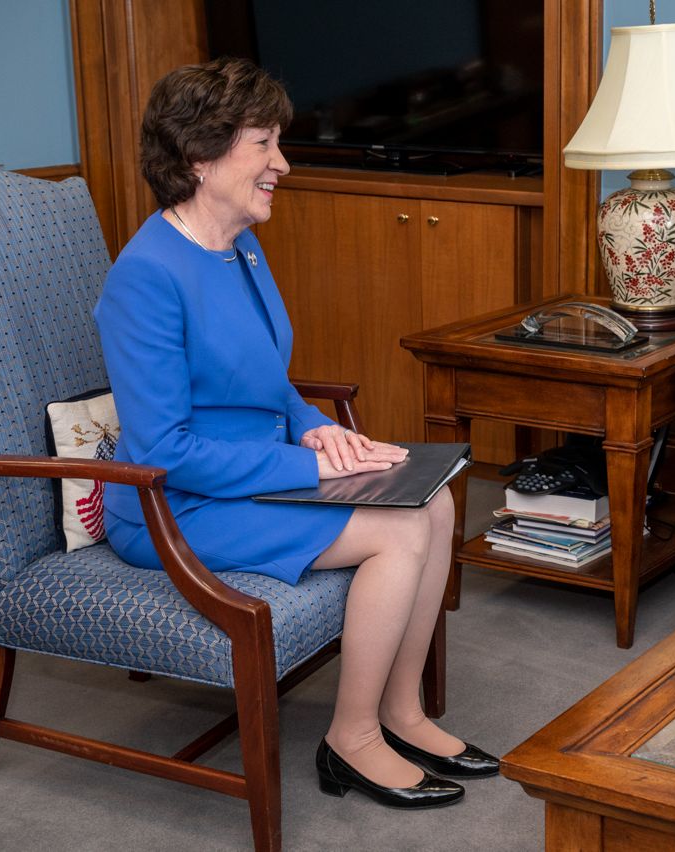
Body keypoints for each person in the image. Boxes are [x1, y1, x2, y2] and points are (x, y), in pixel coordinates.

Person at [94, 57, 495, 810]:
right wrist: (304, 467)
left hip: (251, 472)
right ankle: (352, 740)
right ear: (199, 155)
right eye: (263, 144)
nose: (282, 163)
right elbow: (160, 451)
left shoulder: (240, 242)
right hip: (171, 507)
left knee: (434, 501)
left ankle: (401, 711)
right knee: (397, 531)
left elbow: (268, 382)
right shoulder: (146, 277)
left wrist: (318, 433)